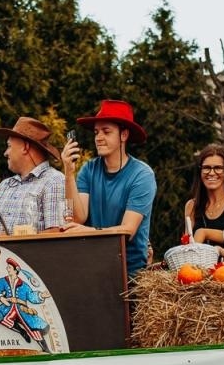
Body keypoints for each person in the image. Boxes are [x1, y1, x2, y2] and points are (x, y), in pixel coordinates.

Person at [61, 100, 157, 279]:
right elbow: (77, 217)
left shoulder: (142, 174)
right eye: (96, 132)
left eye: (106, 131)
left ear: (124, 135)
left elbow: (128, 230)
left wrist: (89, 232)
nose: (98, 137)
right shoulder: (88, 169)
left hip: (129, 272)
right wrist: (68, 172)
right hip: (91, 265)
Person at [0, 117, 68, 235]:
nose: (5, 153)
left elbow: (56, 234)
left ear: (25, 147)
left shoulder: (54, 181)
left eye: (9, 146)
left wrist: (7, 239)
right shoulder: (4, 186)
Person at [182, 144, 224, 247]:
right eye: (206, 168)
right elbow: (186, 247)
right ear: (200, 171)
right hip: (197, 263)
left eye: (218, 168)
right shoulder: (191, 206)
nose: (211, 173)